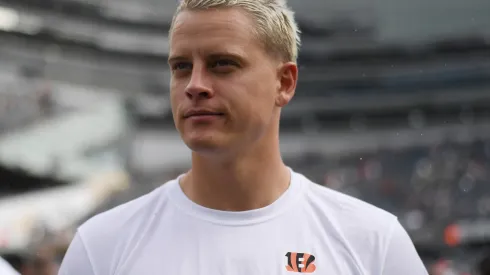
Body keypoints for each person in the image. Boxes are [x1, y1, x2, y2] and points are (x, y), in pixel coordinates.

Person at [58, 0, 428, 274]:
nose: (195, 85)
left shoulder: (373, 244)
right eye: (181, 67)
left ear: (284, 83)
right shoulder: (101, 248)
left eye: (222, 64)